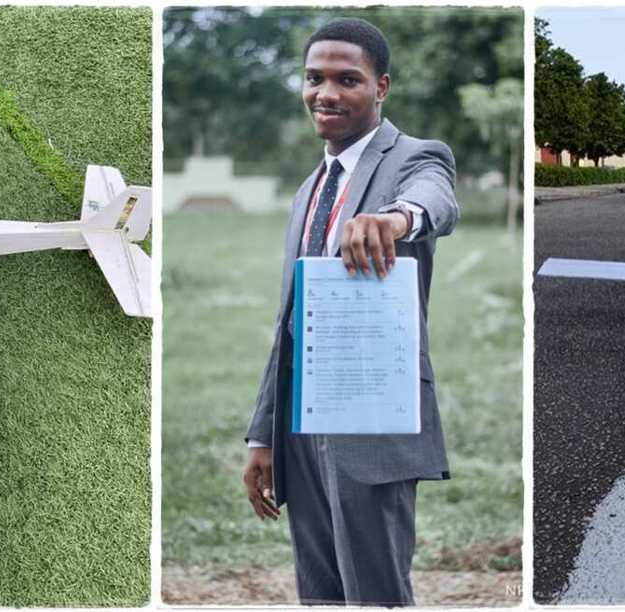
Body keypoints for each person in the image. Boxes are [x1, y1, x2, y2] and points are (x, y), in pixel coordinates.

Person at [241, 17, 458, 606]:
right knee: (320, 591)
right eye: (314, 78)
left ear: (381, 87)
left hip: (371, 416)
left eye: (347, 79)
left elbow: (436, 198)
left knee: (375, 592)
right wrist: (263, 435)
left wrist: (395, 219)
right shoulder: (310, 187)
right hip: (301, 422)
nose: (326, 93)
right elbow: (289, 321)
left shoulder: (415, 157)